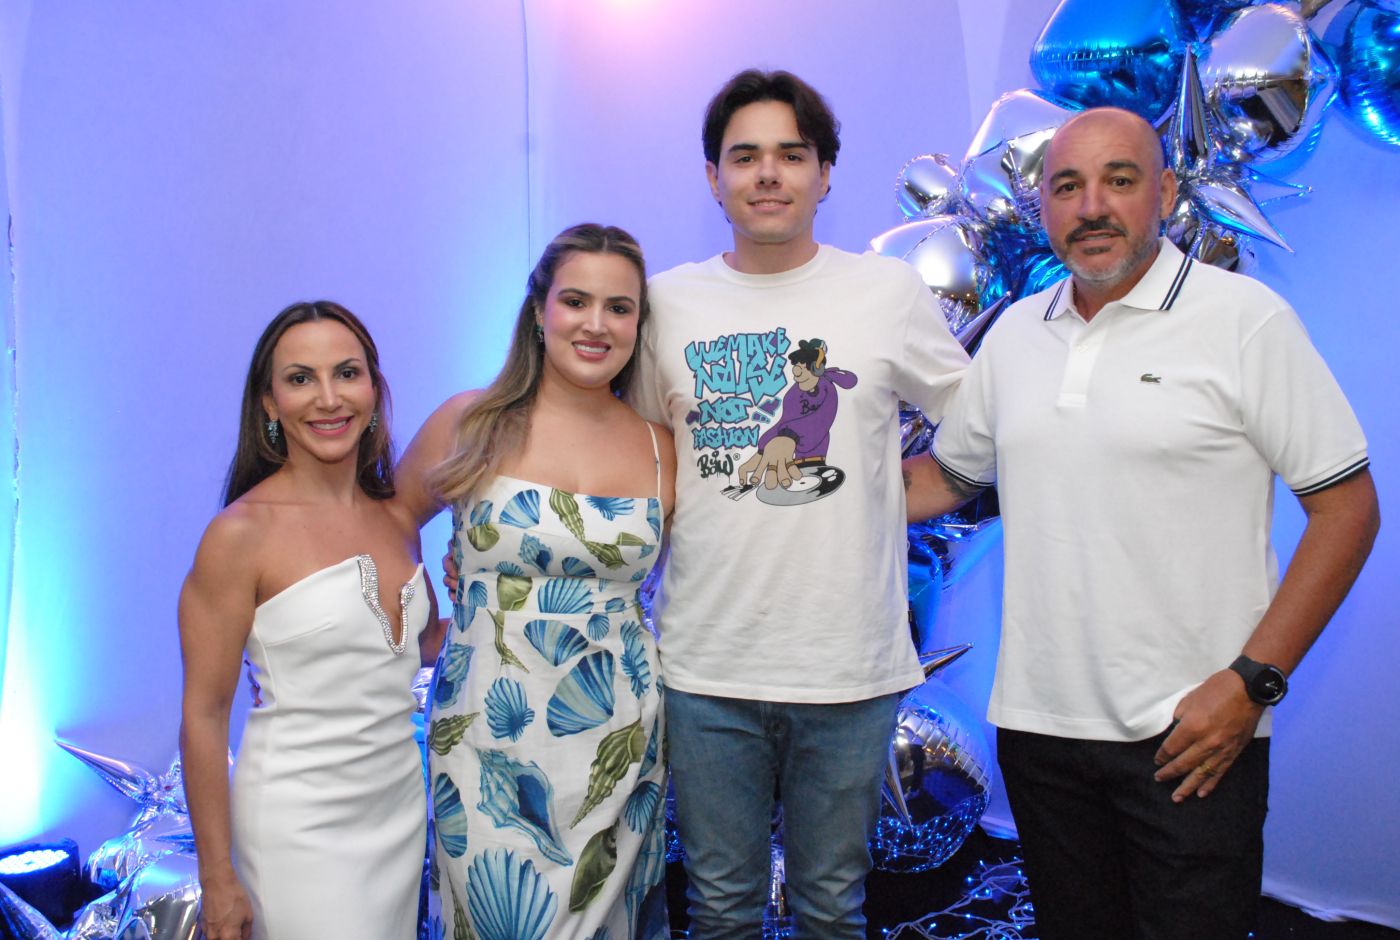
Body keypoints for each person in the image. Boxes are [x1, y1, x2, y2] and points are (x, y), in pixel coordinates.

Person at [906, 107, 1381, 939]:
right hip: (1040, 735)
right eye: (1067, 187)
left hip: (1193, 734)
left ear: (1162, 193)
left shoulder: (1245, 320)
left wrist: (1252, 685)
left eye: (1118, 180)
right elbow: (944, 478)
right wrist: (790, 481)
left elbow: (1348, 508)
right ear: (1043, 209)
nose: (1092, 206)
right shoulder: (1016, 334)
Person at [627, 70, 970, 938]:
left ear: (825, 173)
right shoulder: (666, 303)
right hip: (706, 667)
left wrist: (908, 494)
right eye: (745, 156)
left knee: (831, 906)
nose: (768, 173)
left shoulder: (884, 293)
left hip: (847, 666)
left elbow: (978, 420)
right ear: (714, 178)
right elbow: (635, 458)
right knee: (720, 907)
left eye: (791, 154)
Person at [396, 223, 677, 940]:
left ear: (638, 325)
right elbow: (386, 525)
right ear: (538, 311)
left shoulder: (662, 448)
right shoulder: (471, 422)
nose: (595, 324)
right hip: (483, 742)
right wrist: (415, 630)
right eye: (575, 301)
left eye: (619, 308)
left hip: (620, 744)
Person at [179, 301, 443, 940]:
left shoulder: (396, 519)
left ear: (374, 391)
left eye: (347, 373)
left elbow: (421, 648)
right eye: (301, 379)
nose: (328, 398)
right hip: (298, 827)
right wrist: (217, 878)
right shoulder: (239, 534)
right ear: (270, 404)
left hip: (399, 811)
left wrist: (488, 581)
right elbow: (204, 717)